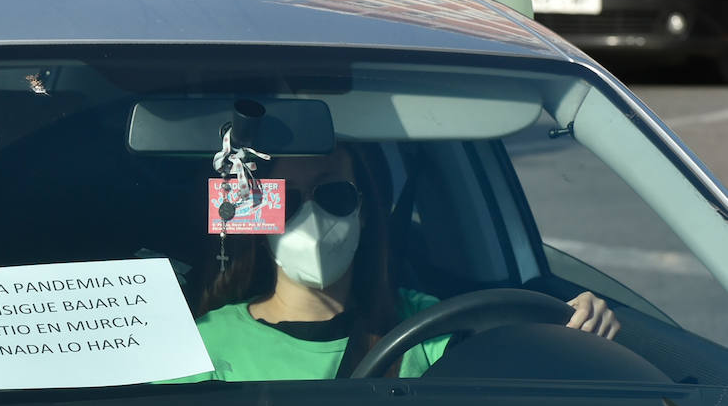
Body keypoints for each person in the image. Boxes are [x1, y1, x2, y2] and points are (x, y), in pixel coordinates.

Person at [182, 142, 619, 381]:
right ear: (257, 218)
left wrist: (576, 329)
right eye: (288, 198)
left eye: (332, 193)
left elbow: (516, 371)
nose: (311, 216)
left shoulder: (429, 325)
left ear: (365, 208)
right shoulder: (204, 345)